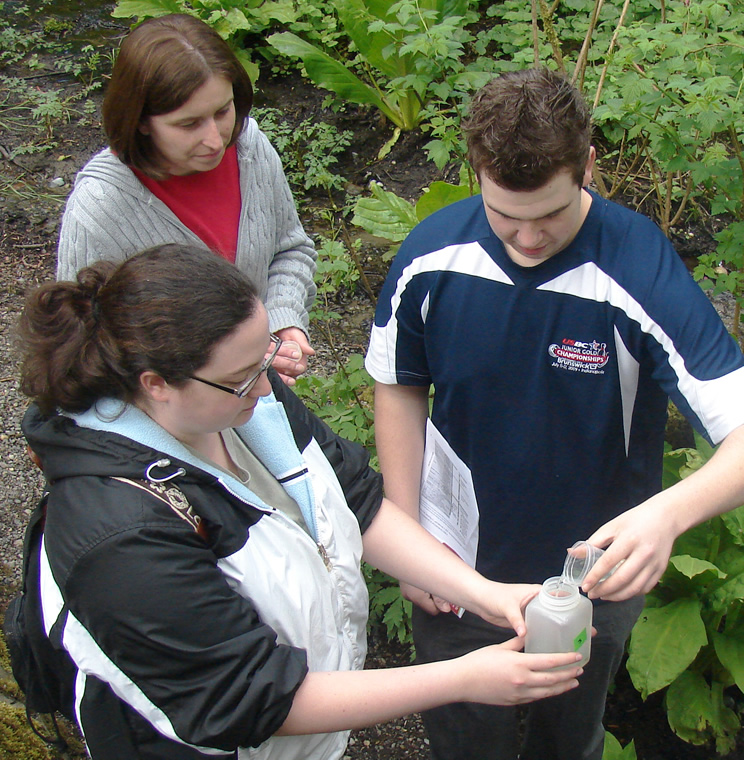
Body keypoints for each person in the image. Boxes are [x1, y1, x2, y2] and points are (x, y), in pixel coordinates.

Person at [17, 243, 584, 760]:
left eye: (266, 358)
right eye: (243, 378)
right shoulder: (116, 530)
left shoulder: (238, 401)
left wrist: (483, 592)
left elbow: (357, 503)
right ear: (155, 383)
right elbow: (251, 698)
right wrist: (461, 677)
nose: (268, 389)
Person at [364, 67, 744, 759]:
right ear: (476, 170)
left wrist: (669, 513)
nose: (529, 238)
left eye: (550, 214)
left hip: (591, 569)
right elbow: (399, 384)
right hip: (456, 559)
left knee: (567, 734)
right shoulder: (431, 255)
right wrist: (407, 532)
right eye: (506, 215)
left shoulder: (639, 268)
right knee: (461, 729)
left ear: (588, 165)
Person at [56, 13, 316, 385]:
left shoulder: (249, 149)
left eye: (222, 111)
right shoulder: (101, 208)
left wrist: (281, 324)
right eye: (189, 124)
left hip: (257, 395)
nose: (215, 139)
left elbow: (290, 251)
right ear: (141, 120)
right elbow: (80, 347)